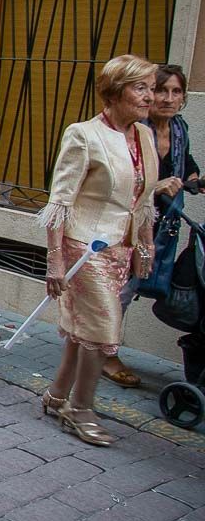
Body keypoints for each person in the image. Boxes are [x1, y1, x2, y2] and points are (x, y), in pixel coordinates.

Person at [37, 54, 158, 447]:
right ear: (115, 90)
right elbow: (60, 202)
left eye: (151, 88)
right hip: (84, 247)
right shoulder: (84, 135)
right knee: (104, 329)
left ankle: (57, 395)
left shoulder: (143, 136)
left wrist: (144, 243)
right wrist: (54, 261)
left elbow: (144, 197)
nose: (150, 97)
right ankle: (80, 408)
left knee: (84, 330)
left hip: (120, 247)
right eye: (141, 87)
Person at [103, 63, 199, 387]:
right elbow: (115, 179)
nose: (168, 98)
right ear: (146, 93)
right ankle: (106, 353)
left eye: (175, 92)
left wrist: (194, 178)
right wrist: (155, 187)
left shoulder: (179, 129)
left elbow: (186, 165)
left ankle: (95, 342)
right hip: (125, 224)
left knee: (133, 287)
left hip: (159, 227)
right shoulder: (133, 130)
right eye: (160, 90)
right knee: (123, 289)